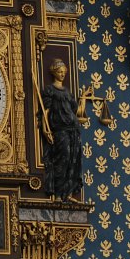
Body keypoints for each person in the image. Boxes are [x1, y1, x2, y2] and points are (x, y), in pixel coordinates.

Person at [40, 58, 88, 202]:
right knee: (63, 159)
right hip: (60, 129)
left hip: (73, 129)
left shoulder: (67, 92)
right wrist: (45, 128)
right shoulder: (50, 90)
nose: (62, 74)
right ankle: (57, 193)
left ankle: (68, 193)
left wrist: (84, 97)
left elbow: (78, 111)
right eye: (60, 72)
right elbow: (46, 111)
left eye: (64, 72)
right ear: (54, 72)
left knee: (73, 160)